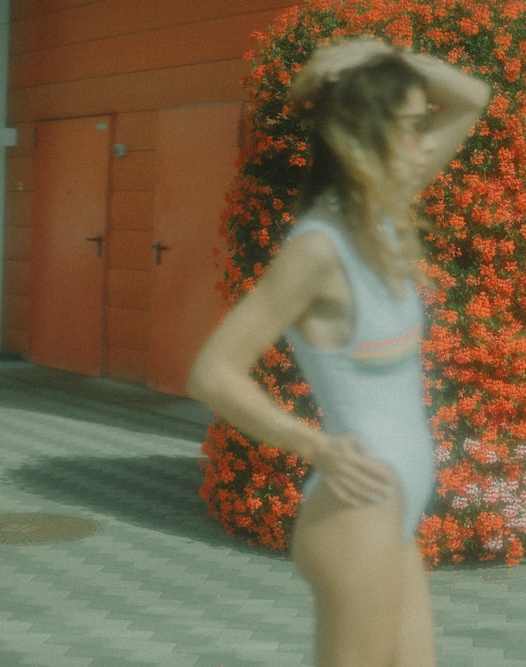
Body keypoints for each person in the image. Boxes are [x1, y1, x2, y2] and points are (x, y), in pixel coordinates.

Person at [188, 37, 489, 667]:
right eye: (410, 127)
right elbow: (213, 372)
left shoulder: (383, 216)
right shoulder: (318, 249)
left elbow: (473, 97)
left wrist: (380, 53)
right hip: (357, 511)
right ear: (364, 139)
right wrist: (313, 445)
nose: (426, 142)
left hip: (392, 506)